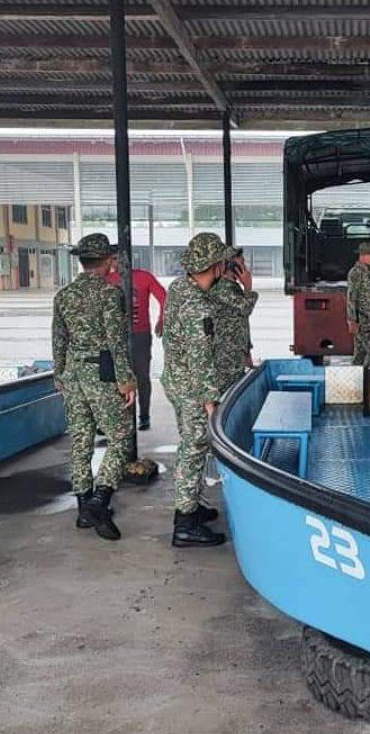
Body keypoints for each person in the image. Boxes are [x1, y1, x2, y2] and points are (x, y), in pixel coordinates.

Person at [51, 233, 136, 542]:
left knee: (81, 440)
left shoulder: (63, 295)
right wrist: (126, 380)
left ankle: (83, 508)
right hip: (101, 373)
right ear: (107, 261)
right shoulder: (109, 294)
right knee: (121, 436)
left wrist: (59, 374)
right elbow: (116, 341)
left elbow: (58, 339)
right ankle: (100, 501)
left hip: (73, 373)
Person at [161, 232, 231, 548]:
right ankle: (185, 524)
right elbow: (201, 357)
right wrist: (210, 402)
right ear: (215, 266)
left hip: (176, 380)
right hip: (192, 388)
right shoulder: (197, 308)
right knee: (193, 449)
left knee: (194, 448)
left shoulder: (179, 287)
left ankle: (192, 505)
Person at [105, 256, 166, 431]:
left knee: (140, 377)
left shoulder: (143, 277)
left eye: (116, 258)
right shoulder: (107, 280)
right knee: (123, 376)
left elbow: (164, 298)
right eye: (112, 259)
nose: (114, 263)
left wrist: (162, 319)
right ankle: (129, 415)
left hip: (138, 335)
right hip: (121, 336)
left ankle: (143, 415)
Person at [209, 245, 258, 389]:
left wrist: (247, 350)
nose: (245, 267)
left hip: (236, 351)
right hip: (226, 355)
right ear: (231, 266)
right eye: (241, 263)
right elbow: (246, 308)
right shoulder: (222, 288)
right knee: (226, 395)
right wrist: (248, 286)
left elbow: (242, 321)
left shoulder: (233, 287)